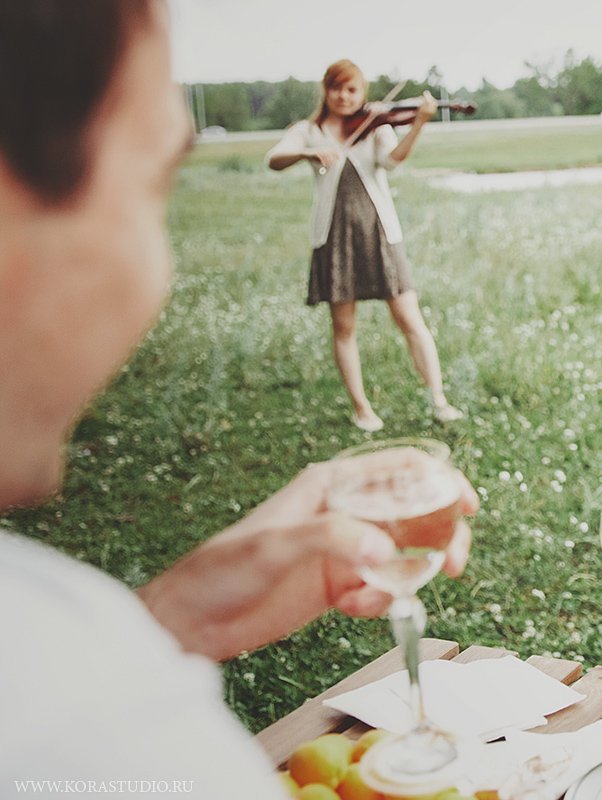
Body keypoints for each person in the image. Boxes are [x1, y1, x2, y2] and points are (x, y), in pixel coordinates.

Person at [0, 0, 475, 791]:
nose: (160, 277)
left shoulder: (36, 636)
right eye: (157, 180)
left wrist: (167, 622)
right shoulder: (81, 731)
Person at [266, 60, 462, 430]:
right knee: (344, 327)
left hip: (381, 233)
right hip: (334, 238)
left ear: (363, 93)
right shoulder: (309, 131)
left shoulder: (375, 126)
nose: (345, 96)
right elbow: (273, 159)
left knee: (408, 317)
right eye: (337, 88)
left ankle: (439, 400)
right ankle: (362, 408)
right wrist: (309, 153)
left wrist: (418, 123)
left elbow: (391, 161)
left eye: (353, 89)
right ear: (326, 90)